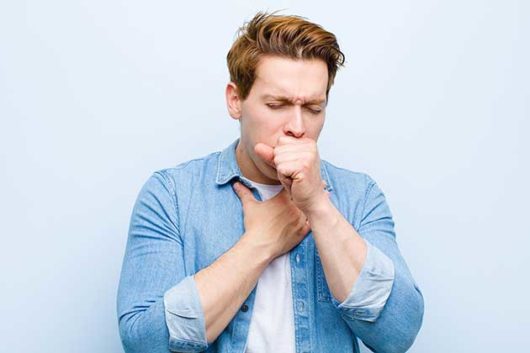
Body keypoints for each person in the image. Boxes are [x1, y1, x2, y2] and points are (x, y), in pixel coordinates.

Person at [117, 11, 424, 353]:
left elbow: (399, 333)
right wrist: (261, 242)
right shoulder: (171, 196)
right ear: (236, 100)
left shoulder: (359, 196)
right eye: (277, 104)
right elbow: (146, 343)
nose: (297, 126)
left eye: (313, 107)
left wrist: (318, 208)